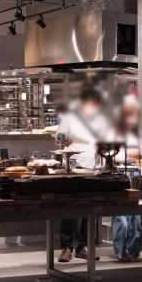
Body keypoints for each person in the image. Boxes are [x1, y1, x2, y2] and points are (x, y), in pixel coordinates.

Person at [55, 84, 110, 262]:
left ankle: (83, 246)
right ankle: (67, 247)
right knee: (69, 208)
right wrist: (64, 140)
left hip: (92, 167)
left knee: (89, 210)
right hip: (72, 168)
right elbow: (58, 139)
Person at [112, 92, 142, 262]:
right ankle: (121, 250)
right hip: (120, 175)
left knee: (136, 215)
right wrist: (129, 155)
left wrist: (140, 156)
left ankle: (134, 249)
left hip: (135, 173)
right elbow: (109, 155)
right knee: (121, 216)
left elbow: (141, 153)